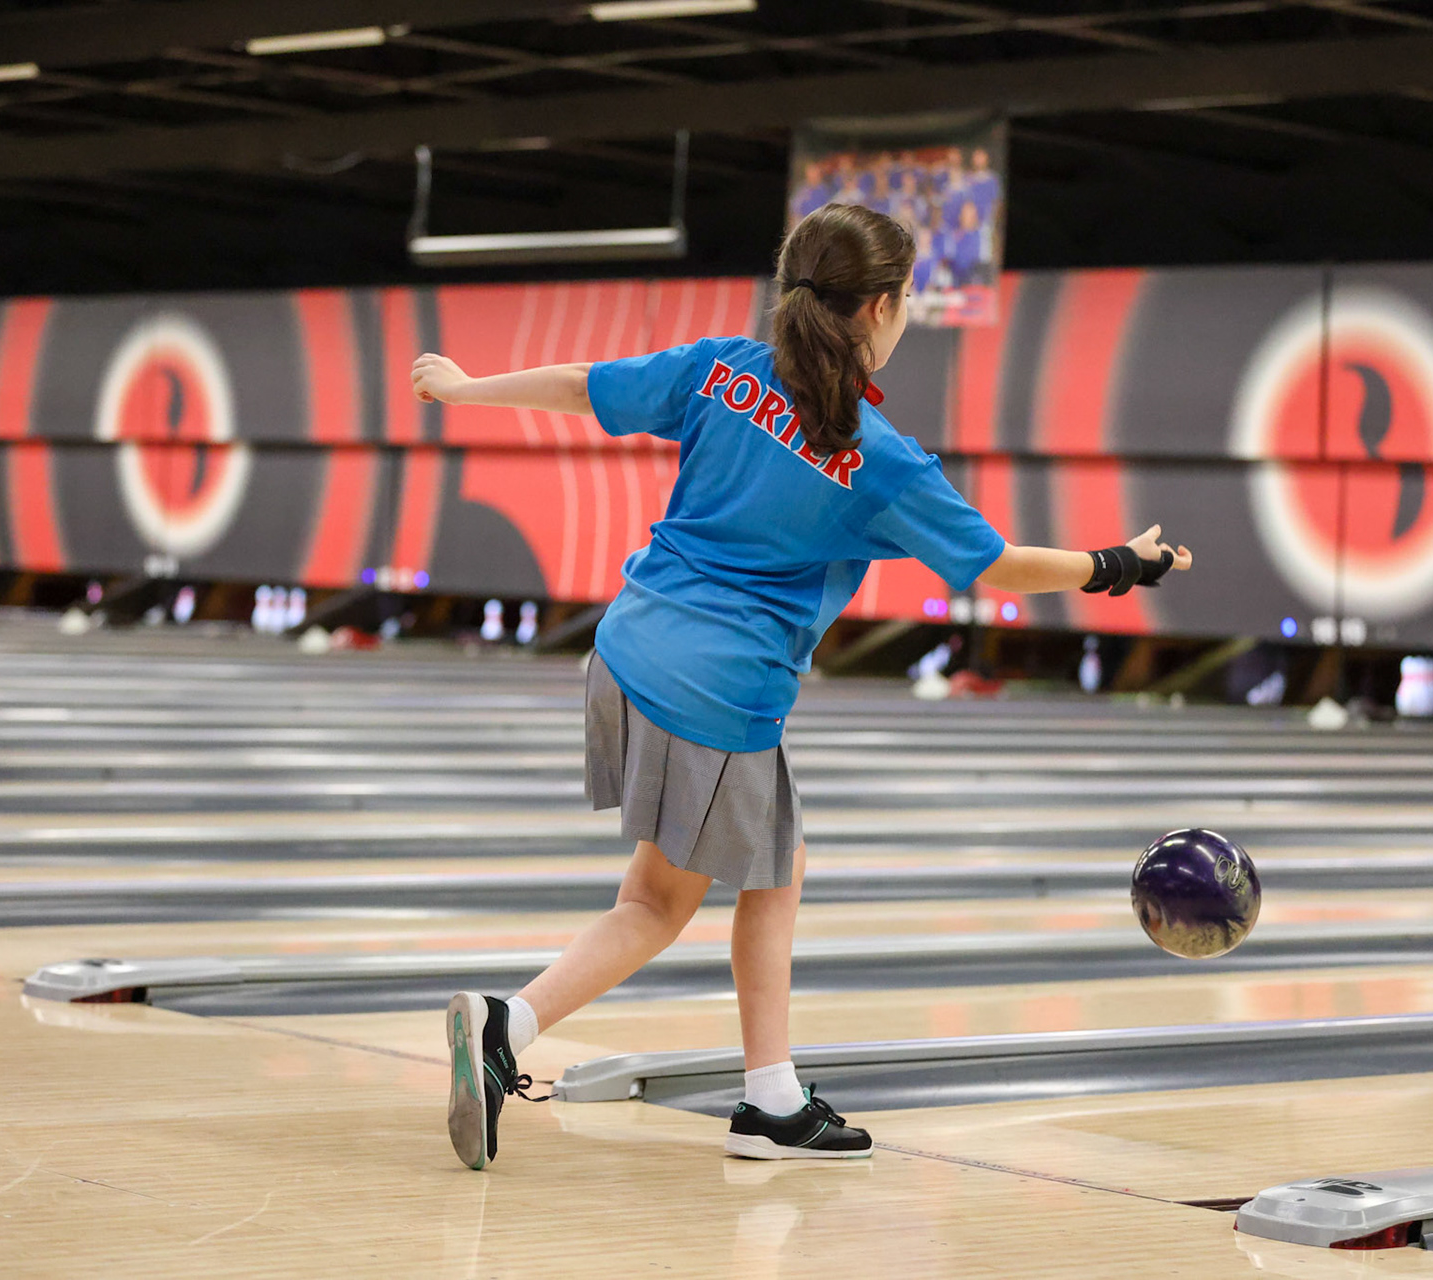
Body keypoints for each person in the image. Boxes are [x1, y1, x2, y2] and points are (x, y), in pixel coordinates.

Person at [409, 202, 1191, 1170]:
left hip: (625, 647)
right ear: (880, 310)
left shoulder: (722, 369)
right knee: (664, 903)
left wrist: (467, 385)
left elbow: (584, 386)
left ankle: (769, 1093)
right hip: (719, 692)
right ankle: (512, 1027)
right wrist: (1119, 561)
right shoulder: (880, 457)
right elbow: (997, 567)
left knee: (773, 867)